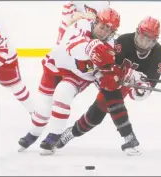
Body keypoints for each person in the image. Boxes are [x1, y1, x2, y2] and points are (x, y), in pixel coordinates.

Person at [18, 7, 121, 155]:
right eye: (102, 26)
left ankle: (54, 135)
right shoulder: (81, 24)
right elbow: (71, 47)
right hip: (57, 64)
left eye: (108, 30)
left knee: (62, 93)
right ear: (96, 21)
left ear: (113, 33)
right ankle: (33, 133)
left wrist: (110, 78)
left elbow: (102, 72)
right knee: (44, 107)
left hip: (78, 75)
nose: (103, 32)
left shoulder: (110, 46)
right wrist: (90, 47)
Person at [57, 16, 161, 156]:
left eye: (149, 39)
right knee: (104, 105)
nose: (144, 42)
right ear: (137, 32)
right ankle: (127, 136)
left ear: (155, 41)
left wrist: (141, 88)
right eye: (142, 37)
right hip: (110, 78)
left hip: (129, 84)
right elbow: (108, 66)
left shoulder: (158, 53)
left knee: (102, 110)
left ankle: (74, 132)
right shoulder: (122, 41)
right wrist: (126, 73)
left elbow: (150, 82)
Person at [0, 16, 34, 115]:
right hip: (1, 55)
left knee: (15, 86)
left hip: (5, 59)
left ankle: (34, 112)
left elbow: (2, 52)